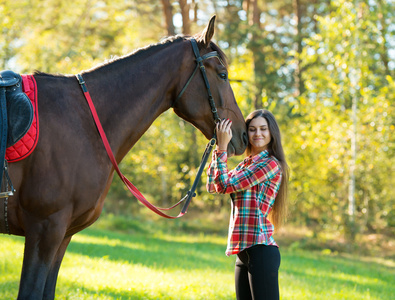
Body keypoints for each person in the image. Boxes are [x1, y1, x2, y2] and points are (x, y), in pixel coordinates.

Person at [206, 109, 289, 300]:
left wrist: (222, 148)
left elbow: (225, 184)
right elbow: (214, 185)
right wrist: (219, 148)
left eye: (263, 129)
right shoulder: (246, 165)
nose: (257, 134)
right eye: (252, 129)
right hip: (244, 252)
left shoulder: (270, 164)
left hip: (261, 251)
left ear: (271, 133)